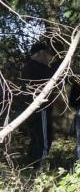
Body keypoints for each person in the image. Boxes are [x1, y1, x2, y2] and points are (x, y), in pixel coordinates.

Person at [16, 39, 58, 168]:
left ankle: (33, 164)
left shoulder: (29, 66)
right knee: (44, 138)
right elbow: (53, 76)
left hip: (32, 109)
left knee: (36, 137)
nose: (48, 58)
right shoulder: (36, 67)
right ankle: (40, 165)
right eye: (46, 54)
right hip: (41, 109)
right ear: (40, 53)